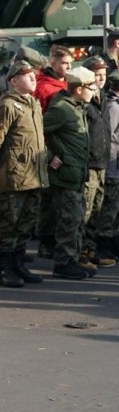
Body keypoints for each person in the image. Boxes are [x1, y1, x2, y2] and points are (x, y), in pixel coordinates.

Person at [0, 59, 47, 288]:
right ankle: (4, 268)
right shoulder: (9, 106)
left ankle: (19, 263)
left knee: (26, 223)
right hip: (14, 176)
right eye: (26, 75)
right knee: (8, 223)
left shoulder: (34, 104)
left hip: (34, 174)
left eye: (33, 74)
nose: (33, 78)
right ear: (13, 81)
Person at [42, 67, 96, 280]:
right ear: (79, 88)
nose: (94, 91)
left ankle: (71, 259)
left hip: (76, 174)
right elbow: (35, 132)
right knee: (68, 220)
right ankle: (63, 262)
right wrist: (49, 156)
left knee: (76, 219)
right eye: (90, 87)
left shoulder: (77, 107)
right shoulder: (62, 109)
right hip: (65, 176)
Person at [80, 55, 109, 273]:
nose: (101, 79)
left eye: (103, 75)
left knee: (97, 210)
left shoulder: (103, 99)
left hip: (102, 162)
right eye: (97, 75)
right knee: (85, 211)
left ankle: (90, 249)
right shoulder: (84, 102)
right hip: (89, 163)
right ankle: (80, 252)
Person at [97, 71, 119, 267]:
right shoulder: (113, 107)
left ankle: (112, 244)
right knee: (110, 209)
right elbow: (110, 138)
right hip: (113, 165)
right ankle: (103, 245)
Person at [35, 46, 73, 111]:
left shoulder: (70, 83)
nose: (69, 67)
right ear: (53, 64)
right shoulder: (43, 89)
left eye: (70, 63)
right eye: (64, 63)